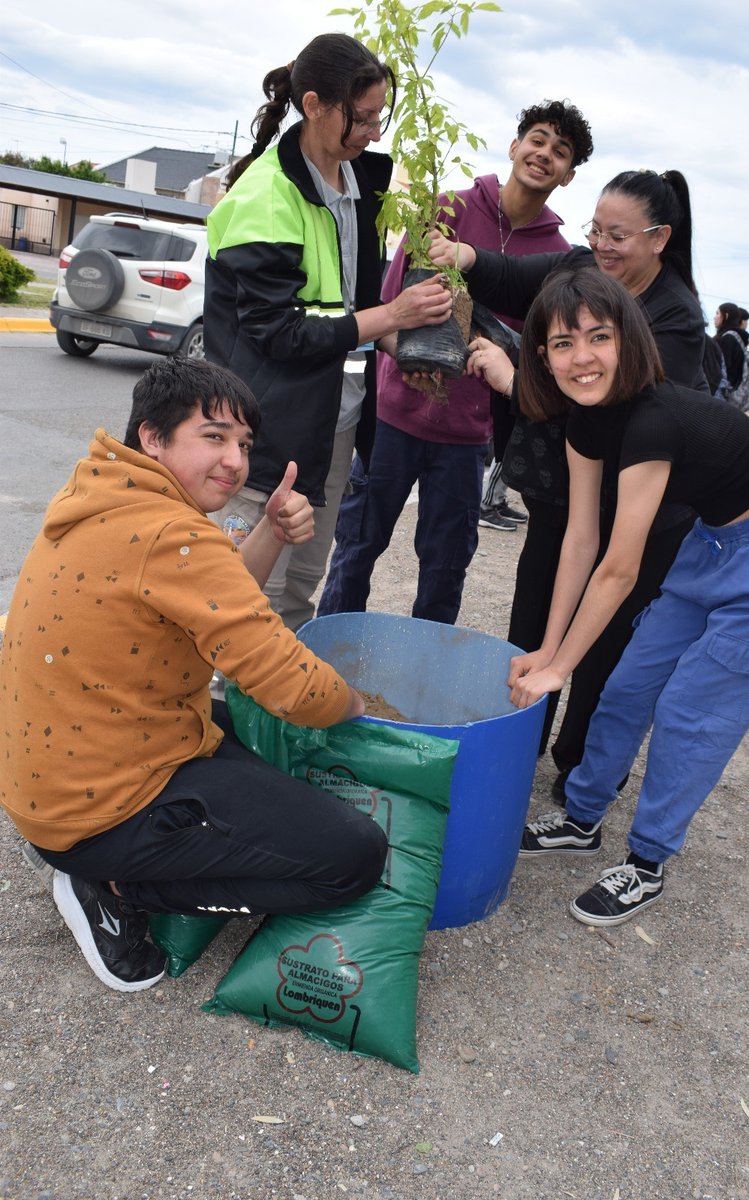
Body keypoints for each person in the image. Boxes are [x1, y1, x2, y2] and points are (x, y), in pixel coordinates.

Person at [0, 358, 387, 993]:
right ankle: (119, 887)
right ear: (153, 437)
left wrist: (269, 530)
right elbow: (291, 686)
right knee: (353, 857)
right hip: (96, 816)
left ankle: (108, 859)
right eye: (213, 436)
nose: (235, 460)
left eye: (243, 443)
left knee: (236, 731)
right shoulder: (172, 534)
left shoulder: (105, 494)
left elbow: (208, 598)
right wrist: (358, 705)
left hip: (56, 782)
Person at [507, 268, 749, 925]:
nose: (581, 357)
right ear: (542, 357)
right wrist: (551, 650)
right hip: (711, 543)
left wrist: (558, 671)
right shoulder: (583, 421)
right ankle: (582, 818)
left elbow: (618, 568)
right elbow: (580, 542)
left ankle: (647, 861)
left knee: (692, 711)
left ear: (630, 339)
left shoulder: (654, 419)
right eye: (561, 343)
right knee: (627, 684)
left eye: (598, 337)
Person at [431, 168, 705, 793]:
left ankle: (577, 767)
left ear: (659, 238)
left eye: (619, 235)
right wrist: (466, 253)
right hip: (566, 496)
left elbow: (620, 412)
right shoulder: (582, 269)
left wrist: (517, 376)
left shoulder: (678, 319)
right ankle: (518, 743)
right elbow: (509, 273)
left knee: (603, 644)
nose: (602, 246)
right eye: (596, 231)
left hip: (639, 514)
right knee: (533, 621)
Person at [203, 33, 452, 631]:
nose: (372, 131)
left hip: (331, 422)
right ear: (314, 104)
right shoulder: (266, 196)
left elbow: (349, 302)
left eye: (378, 117)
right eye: (360, 118)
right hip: (261, 426)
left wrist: (396, 343)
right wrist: (393, 316)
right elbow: (279, 332)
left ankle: (268, 711)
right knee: (238, 591)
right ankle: (217, 711)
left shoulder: (359, 182)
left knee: (300, 587)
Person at [316, 100, 593, 623]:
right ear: (514, 146)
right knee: (355, 551)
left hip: (468, 438)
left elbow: (534, 349)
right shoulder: (448, 208)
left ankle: (422, 691)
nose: (544, 155)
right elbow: (387, 307)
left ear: (569, 174)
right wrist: (407, 358)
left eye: (560, 152)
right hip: (393, 417)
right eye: (537, 140)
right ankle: (331, 666)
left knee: (445, 572)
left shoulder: (555, 255)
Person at [713, 301, 747, 392]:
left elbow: (720, 368)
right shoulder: (737, 338)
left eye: (717, 313)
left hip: (718, 390)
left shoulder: (727, 338)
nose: (714, 317)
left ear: (726, 316)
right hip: (728, 390)